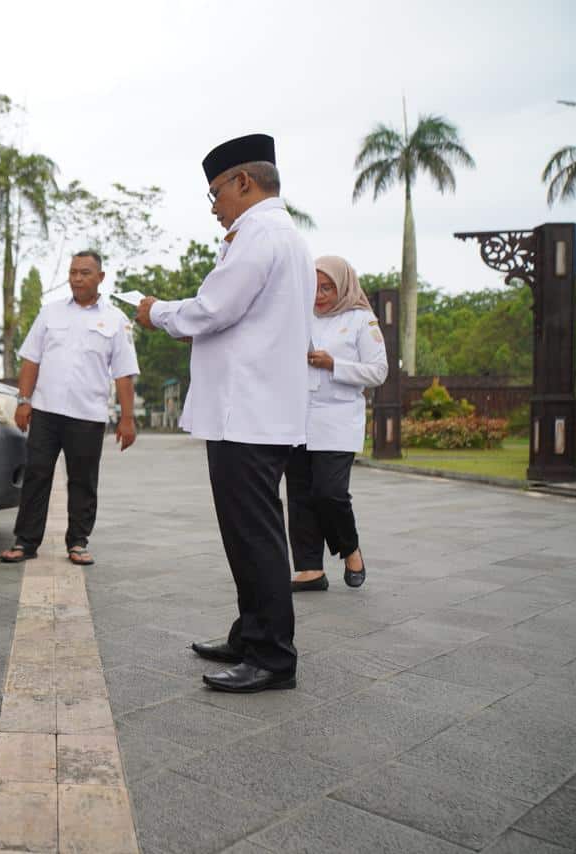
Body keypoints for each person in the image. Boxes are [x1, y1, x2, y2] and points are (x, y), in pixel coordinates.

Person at [135, 133, 314, 694]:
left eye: (215, 192)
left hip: (249, 414)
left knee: (254, 534)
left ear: (244, 181)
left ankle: (272, 657)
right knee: (245, 532)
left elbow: (213, 309)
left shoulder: (261, 235)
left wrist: (155, 311)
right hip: (253, 410)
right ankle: (251, 633)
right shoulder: (276, 236)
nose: (214, 206)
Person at [0, 250, 139, 567]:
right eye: (73, 272)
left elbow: (124, 373)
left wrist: (127, 420)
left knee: (83, 480)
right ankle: (25, 541)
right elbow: (31, 360)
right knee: (36, 475)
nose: (77, 278)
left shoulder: (116, 320)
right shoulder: (49, 313)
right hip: (46, 412)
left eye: (85, 272)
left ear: (100, 277)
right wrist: (23, 401)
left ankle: (78, 542)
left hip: (87, 416)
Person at [289, 255, 388, 592]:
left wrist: (335, 364)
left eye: (327, 287)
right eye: (315, 287)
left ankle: (350, 548)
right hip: (298, 417)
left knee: (329, 493)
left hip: (338, 419)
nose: (319, 296)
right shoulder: (300, 317)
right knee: (300, 494)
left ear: (343, 285)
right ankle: (309, 568)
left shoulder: (361, 319)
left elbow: (378, 371)